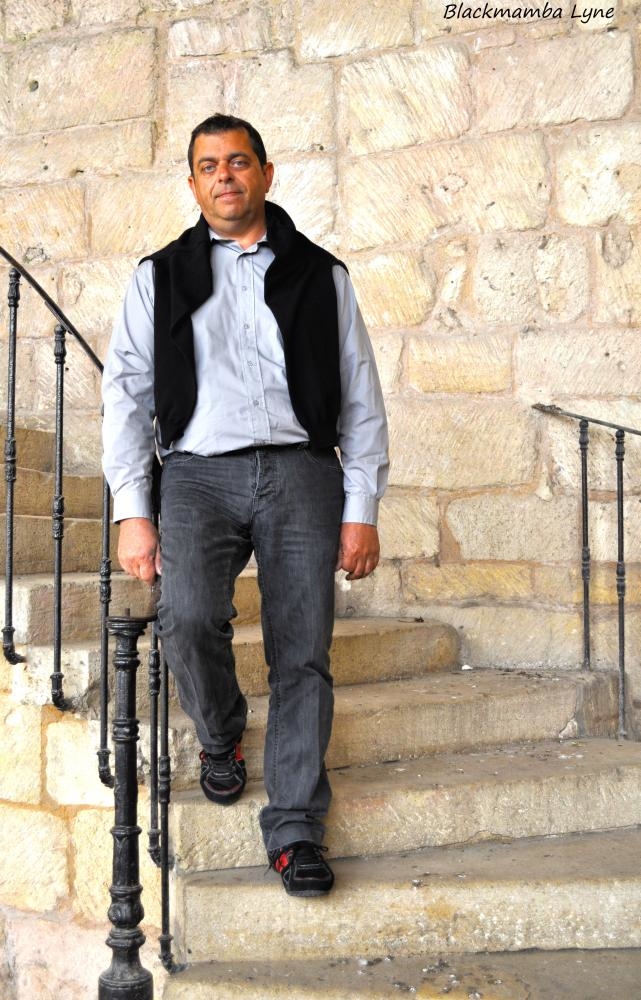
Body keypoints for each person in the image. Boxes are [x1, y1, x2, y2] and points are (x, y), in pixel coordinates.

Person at [102, 113, 389, 897]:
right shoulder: (158, 276)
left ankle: (294, 828)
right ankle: (221, 732)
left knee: (302, 652)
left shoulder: (321, 274)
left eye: (237, 162)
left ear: (265, 173)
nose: (224, 176)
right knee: (187, 617)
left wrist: (360, 505)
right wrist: (133, 508)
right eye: (208, 166)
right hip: (196, 475)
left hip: (303, 473)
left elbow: (360, 394)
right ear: (193, 184)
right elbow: (125, 395)